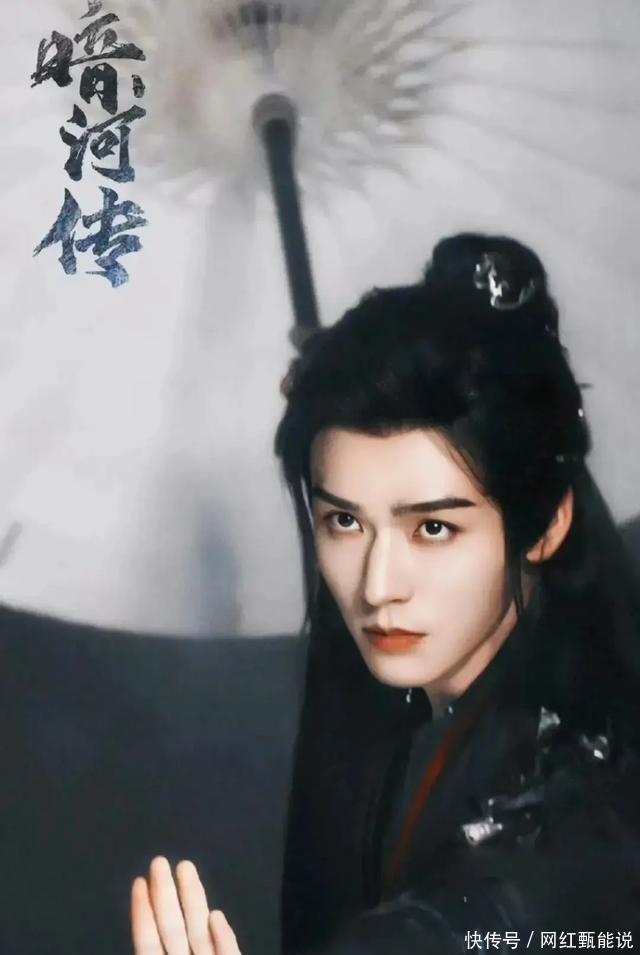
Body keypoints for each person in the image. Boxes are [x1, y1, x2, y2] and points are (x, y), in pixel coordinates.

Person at [130, 234, 640, 955]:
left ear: (546, 525)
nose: (377, 585)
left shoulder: (584, 804)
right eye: (344, 521)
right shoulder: (420, 719)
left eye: (433, 527)